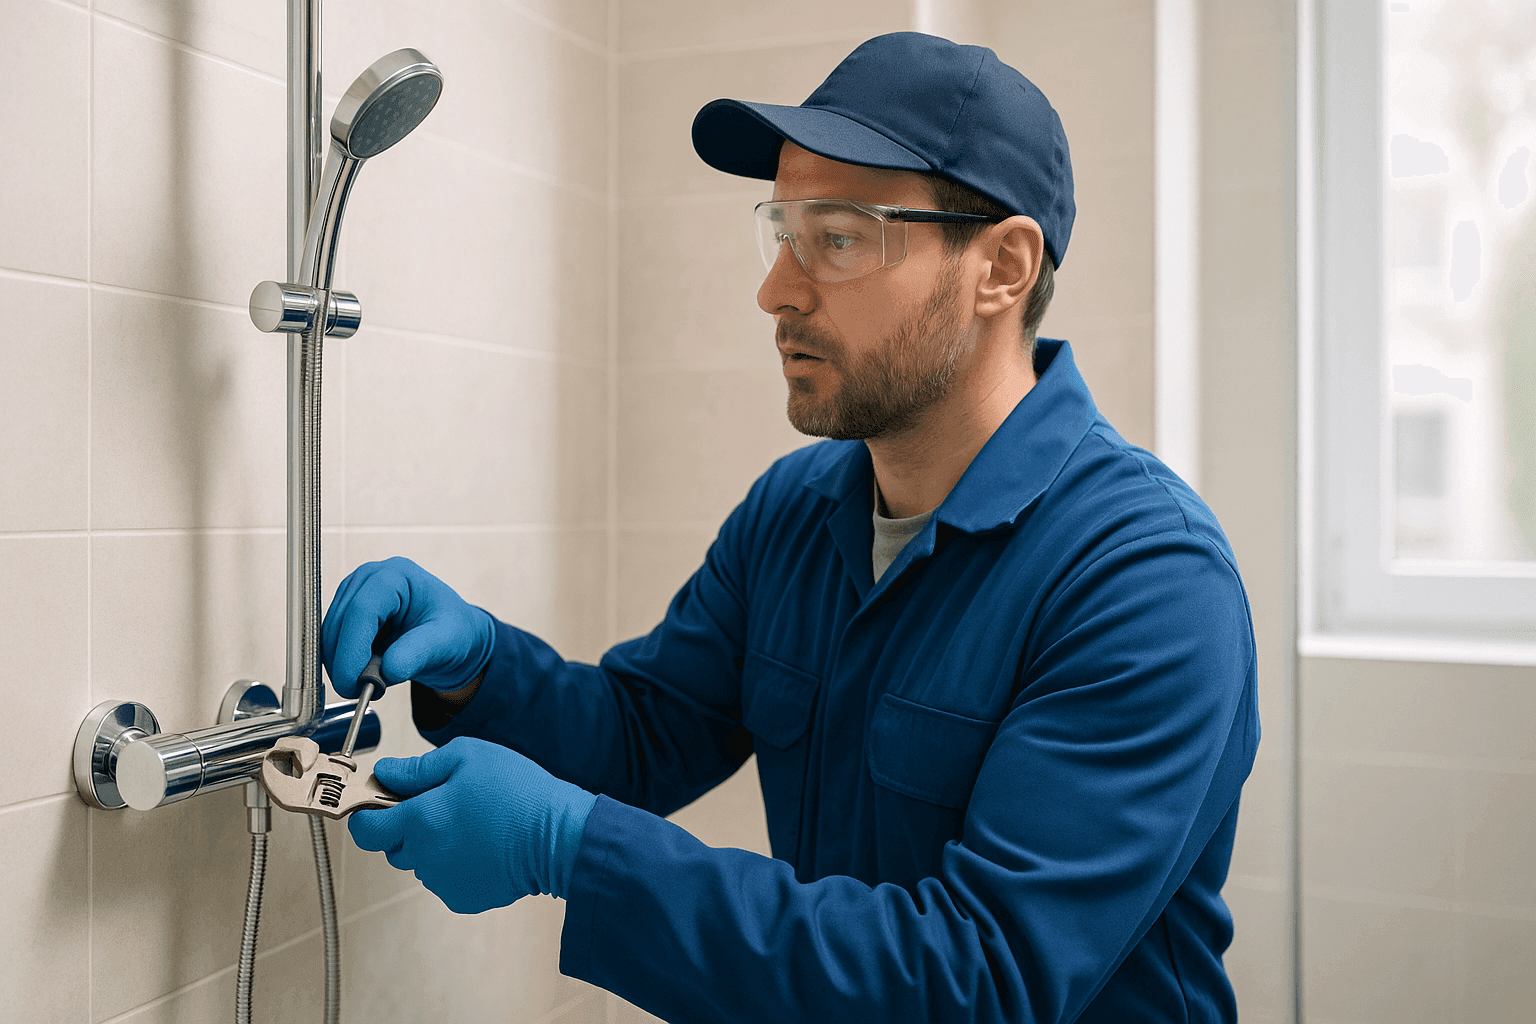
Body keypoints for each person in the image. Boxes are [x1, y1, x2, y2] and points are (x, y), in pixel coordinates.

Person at [322, 31, 1260, 1024]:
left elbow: (978, 981)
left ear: (1002, 269)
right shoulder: (797, 511)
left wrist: (573, 848)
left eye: (840, 238)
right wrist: (479, 667)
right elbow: (644, 735)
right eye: (782, 231)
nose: (775, 290)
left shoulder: (1146, 581)